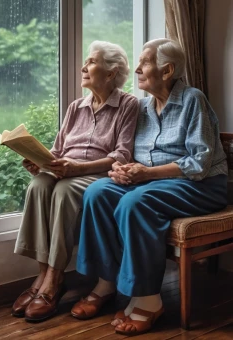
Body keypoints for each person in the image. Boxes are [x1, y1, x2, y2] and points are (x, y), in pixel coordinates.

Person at [71, 38, 228, 336]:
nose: (138, 69)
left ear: (167, 70)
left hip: (200, 185)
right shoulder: (141, 107)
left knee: (135, 203)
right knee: (98, 192)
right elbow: (129, 152)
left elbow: (199, 163)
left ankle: (148, 299)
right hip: (155, 183)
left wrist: (146, 174)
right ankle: (106, 281)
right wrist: (121, 168)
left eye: (145, 63)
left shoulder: (192, 100)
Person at [11, 40, 139, 322]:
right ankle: (42, 274)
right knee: (39, 185)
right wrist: (40, 163)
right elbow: (58, 151)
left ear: (110, 73)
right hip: (66, 170)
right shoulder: (76, 107)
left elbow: (121, 155)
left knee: (65, 191)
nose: (84, 67)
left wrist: (77, 168)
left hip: (97, 174)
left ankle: (54, 280)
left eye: (91, 62)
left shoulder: (128, 104)